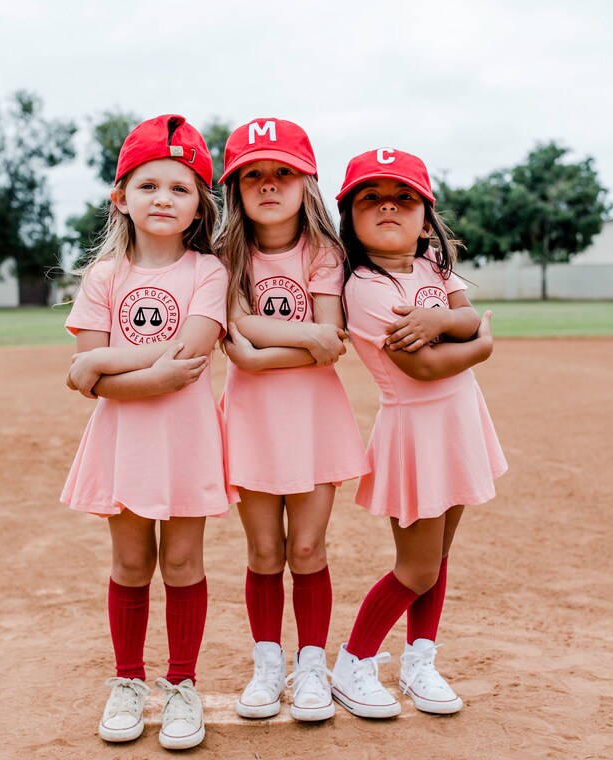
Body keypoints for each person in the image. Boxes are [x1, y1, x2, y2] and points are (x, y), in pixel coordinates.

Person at [62, 114, 231, 751]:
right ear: (121, 198)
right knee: (131, 563)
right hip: (124, 441)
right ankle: (128, 681)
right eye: (149, 185)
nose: (163, 198)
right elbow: (95, 382)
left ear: (198, 206)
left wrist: (102, 361)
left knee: (184, 562)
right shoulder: (104, 277)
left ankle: (182, 685)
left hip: (185, 439)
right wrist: (109, 371)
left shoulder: (207, 272)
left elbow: (185, 363)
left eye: (180, 188)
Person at [330, 147, 507, 718]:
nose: (389, 206)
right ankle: (353, 663)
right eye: (371, 199)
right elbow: (428, 365)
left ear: (425, 216)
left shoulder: (434, 267)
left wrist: (444, 322)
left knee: (440, 553)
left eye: (404, 198)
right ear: (351, 220)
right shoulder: (365, 286)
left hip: (458, 421)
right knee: (417, 566)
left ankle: (419, 660)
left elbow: (463, 314)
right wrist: (479, 341)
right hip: (416, 430)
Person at [214, 118, 368, 722]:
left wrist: (266, 346)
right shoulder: (222, 256)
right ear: (236, 189)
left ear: (307, 183)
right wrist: (308, 339)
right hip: (252, 421)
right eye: (254, 174)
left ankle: (310, 663)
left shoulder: (325, 254)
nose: (269, 185)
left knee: (307, 547)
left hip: (314, 419)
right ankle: (267, 661)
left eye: (283, 172)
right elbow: (242, 338)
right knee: (263, 551)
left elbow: (317, 339)